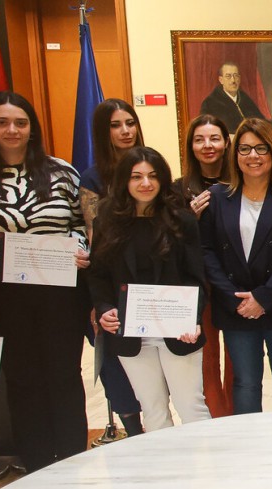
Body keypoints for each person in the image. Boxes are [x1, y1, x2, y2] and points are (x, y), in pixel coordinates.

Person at [0, 91, 92, 470]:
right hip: (3, 295)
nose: (12, 130)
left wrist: (80, 247)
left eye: (20, 122)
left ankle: (73, 459)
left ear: (32, 128)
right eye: (2, 122)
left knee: (65, 374)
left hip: (60, 294)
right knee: (21, 378)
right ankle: (36, 462)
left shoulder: (62, 172)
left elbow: (81, 223)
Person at [89, 147, 211, 431]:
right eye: (136, 177)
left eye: (153, 176)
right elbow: (97, 274)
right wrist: (105, 308)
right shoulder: (106, 221)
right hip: (131, 333)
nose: (146, 183)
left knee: (191, 406)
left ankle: (204, 461)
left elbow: (196, 277)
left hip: (177, 329)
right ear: (124, 180)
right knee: (153, 409)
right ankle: (164, 461)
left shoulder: (182, 220)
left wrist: (192, 318)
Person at [199, 118, 272, 415]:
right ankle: (247, 440)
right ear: (235, 155)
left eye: (261, 148)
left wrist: (263, 297)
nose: (253, 156)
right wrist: (235, 298)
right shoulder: (217, 197)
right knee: (245, 382)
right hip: (235, 305)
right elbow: (206, 251)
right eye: (244, 149)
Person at [76, 97, 145, 436]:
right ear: (103, 132)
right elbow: (96, 243)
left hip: (149, 281)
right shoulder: (92, 179)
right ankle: (133, 429)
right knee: (115, 363)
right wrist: (99, 300)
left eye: (130, 123)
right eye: (116, 125)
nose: (125, 131)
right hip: (111, 283)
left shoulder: (149, 166)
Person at [181, 114, 233, 418]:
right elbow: (169, 242)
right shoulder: (177, 190)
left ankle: (237, 421)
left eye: (214, 138)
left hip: (235, 282)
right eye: (199, 140)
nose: (207, 145)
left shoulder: (242, 181)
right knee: (207, 360)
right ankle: (217, 421)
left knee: (238, 358)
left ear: (226, 143)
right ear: (191, 146)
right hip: (198, 285)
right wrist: (189, 220)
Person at [199, 62, 268, 132]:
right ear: (221, 80)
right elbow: (205, 130)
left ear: (239, 79)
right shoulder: (209, 103)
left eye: (236, 76)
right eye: (228, 76)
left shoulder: (245, 98)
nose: (233, 80)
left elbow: (262, 123)